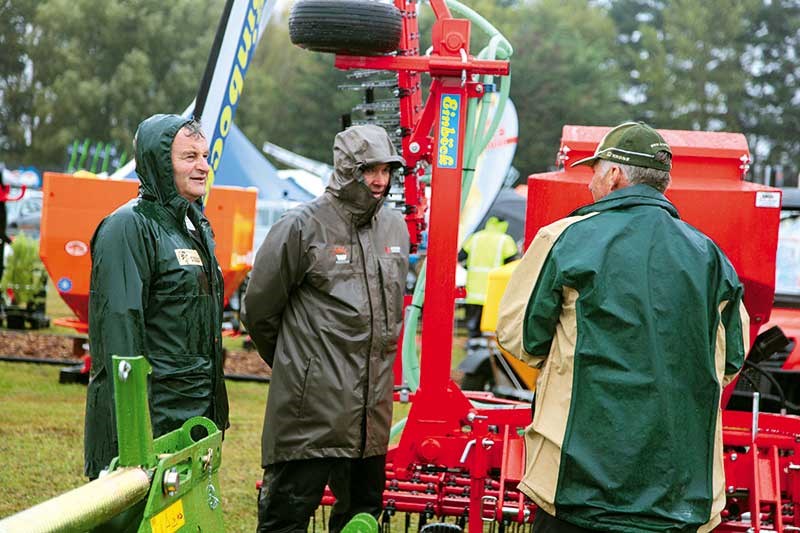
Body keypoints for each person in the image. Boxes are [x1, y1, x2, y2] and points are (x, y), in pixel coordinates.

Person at [496, 122, 748, 532]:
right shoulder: (711, 257)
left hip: (577, 488)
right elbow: (730, 361)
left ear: (614, 175)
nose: (590, 182)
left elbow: (519, 336)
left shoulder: (564, 238)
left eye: (594, 170)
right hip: (677, 496)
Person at [242, 124, 409, 533]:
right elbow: (259, 311)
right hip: (310, 417)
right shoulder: (300, 227)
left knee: (362, 523)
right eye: (370, 169)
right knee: (286, 521)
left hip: (371, 419)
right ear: (347, 168)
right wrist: (301, 367)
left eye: (387, 170)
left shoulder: (394, 229)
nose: (380, 180)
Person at [83, 114, 229, 479]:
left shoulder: (192, 226)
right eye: (189, 157)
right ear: (159, 162)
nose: (202, 167)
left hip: (193, 419)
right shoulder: (128, 226)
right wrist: (134, 434)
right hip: (154, 421)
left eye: (205, 156)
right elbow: (120, 334)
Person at [459, 216, 518, 338]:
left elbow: (460, 257)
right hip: (493, 291)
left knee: (472, 325)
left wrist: (469, 268)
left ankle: (472, 344)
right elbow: (513, 265)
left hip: (473, 290)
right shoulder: (505, 240)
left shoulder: (475, 237)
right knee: (490, 324)